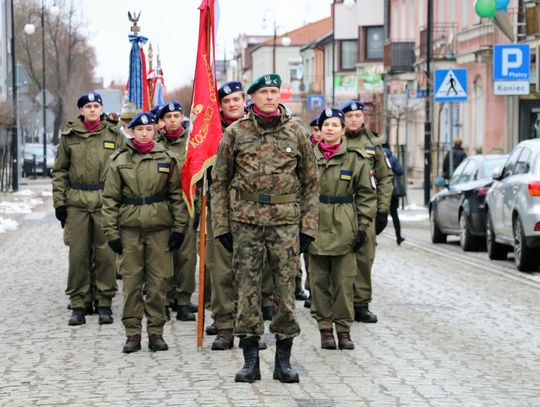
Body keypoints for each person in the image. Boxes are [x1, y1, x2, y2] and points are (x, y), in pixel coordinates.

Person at [211, 73, 319, 383]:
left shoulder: (296, 133)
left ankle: (283, 361)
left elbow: (311, 183)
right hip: (245, 223)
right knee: (247, 290)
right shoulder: (235, 134)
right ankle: (250, 361)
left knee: (285, 293)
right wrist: (222, 226)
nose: (271, 97)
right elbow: (219, 182)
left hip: (285, 224)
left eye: (275, 91)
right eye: (264, 92)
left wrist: (308, 227)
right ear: (253, 97)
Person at [102, 112, 188, 353]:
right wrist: (111, 233)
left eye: (149, 129)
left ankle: (156, 332)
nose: (144, 133)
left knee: (158, 284)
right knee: (131, 284)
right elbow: (109, 199)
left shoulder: (167, 158)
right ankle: (132, 334)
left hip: (159, 229)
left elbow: (176, 196)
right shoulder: (119, 160)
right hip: (129, 230)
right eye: (139, 130)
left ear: (154, 131)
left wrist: (179, 228)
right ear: (132, 132)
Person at [308, 108, 377, 351]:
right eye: (325, 124)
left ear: (342, 129)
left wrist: (362, 227)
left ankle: (344, 330)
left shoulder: (356, 159)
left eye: (334, 125)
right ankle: (325, 329)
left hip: (344, 225)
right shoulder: (308, 157)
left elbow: (367, 196)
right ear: (319, 129)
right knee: (318, 282)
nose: (329, 129)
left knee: (344, 282)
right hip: (315, 225)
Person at [52, 92, 122, 326]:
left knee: (105, 255)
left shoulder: (113, 134)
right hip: (77, 201)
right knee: (79, 254)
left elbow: (123, 170)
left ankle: (104, 303)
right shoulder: (69, 136)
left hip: (106, 200)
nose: (93, 110)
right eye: (88, 106)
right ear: (81, 111)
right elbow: (60, 171)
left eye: (96, 106)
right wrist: (59, 203)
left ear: (101, 109)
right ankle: (79, 303)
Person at [341, 101, 393, 323]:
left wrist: (382, 211)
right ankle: (338, 302)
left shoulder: (374, 143)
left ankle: (361, 303)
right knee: (338, 255)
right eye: (350, 115)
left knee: (364, 257)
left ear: (363, 118)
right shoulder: (335, 139)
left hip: (366, 209)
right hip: (339, 207)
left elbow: (385, 178)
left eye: (357, 115)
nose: (354, 119)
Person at [155, 101, 198, 322]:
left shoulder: (192, 143)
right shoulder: (155, 144)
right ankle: (163, 298)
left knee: (186, 255)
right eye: (168, 116)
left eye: (176, 115)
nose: (173, 120)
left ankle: (183, 299)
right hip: (161, 206)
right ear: (162, 121)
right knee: (162, 254)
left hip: (187, 203)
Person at [383, 143, 406, 245]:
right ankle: (398, 237)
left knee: (374, 215)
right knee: (394, 215)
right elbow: (400, 171)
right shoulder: (392, 158)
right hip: (392, 191)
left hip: (380, 190)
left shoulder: (375, 156)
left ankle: (373, 239)